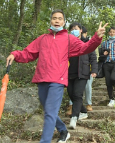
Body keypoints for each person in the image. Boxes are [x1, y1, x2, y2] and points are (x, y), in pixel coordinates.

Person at [6, 9, 108, 143]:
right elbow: (28, 53)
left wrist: (97, 37)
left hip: (58, 80)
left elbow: (85, 48)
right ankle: (63, 131)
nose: (57, 20)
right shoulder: (42, 38)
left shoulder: (69, 38)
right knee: (49, 110)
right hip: (42, 78)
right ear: (51, 21)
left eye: (60, 18)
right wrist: (15, 54)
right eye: (54, 18)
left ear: (64, 22)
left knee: (50, 112)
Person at [67, 22, 98, 129]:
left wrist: (94, 70)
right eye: (71, 29)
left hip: (83, 73)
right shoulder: (68, 42)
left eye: (75, 28)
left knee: (77, 94)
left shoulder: (87, 42)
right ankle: (83, 111)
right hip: (69, 72)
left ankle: (74, 118)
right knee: (71, 93)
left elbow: (93, 57)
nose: (73, 30)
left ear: (81, 30)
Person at [82, 25, 98, 111]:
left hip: (88, 70)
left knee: (88, 86)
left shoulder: (90, 43)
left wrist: (94, 70)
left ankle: (88, 103)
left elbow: (94, 58)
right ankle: (71, 105)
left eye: (83, 33)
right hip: (77, 70)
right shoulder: (74, 42)